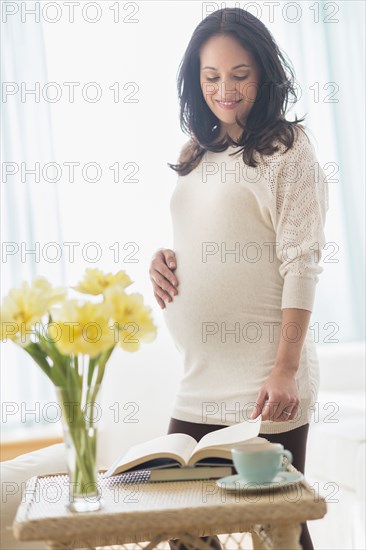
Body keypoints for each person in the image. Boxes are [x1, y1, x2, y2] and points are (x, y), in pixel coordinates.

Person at [149, 7, 329, 550]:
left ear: (263, 75)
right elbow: (212, 237)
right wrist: (164, 260)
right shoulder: (195, 153)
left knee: (276, 533)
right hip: (198, 380)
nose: (224, 89)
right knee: (183, 532)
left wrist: (285, 370)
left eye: (239, 75)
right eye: (211, 77)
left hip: (263, 384)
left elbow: (303, 262)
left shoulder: (288, 149)